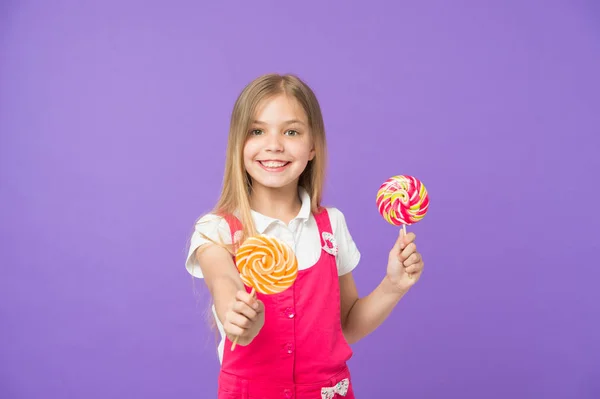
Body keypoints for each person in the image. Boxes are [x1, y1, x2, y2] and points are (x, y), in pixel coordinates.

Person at [185, 73, 425, 399]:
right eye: (257, 131)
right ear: (237, 144)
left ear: (312, 147)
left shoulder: (331, 225)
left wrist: (393, 285)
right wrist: (238, 318)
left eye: (291, 131)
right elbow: (223, 282)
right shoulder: (217, 230)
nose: (274, 145)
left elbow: (348, 326)